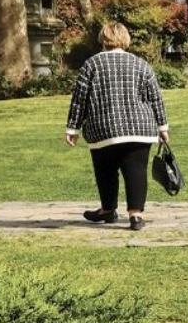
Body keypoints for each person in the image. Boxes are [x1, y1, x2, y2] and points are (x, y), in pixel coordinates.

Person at [63, 21, 168, 232]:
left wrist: (72, 128)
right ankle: (136, 215)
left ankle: (108, 209)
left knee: (105, 171)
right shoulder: (141, 64)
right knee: (136, 170)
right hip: (140, 128)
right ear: (126, 39)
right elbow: (155, 98)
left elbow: (79, 99)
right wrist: (162, 126)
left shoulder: (91, 65)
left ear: (103, 39)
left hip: (103, 128)